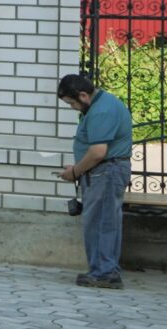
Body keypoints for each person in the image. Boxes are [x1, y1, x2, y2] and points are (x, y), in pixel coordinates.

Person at [56, 72, 133, 289]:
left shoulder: (101, 111)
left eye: (72, 103)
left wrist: (75, 172)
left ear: (83, 95)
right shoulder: (100, 105)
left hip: (106, 173)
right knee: (102, 221)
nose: (73, 108)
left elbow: (98, 152)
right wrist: (78, 168)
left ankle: (104, 273)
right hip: (103, 172)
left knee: (101, 223)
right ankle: (102, 271)